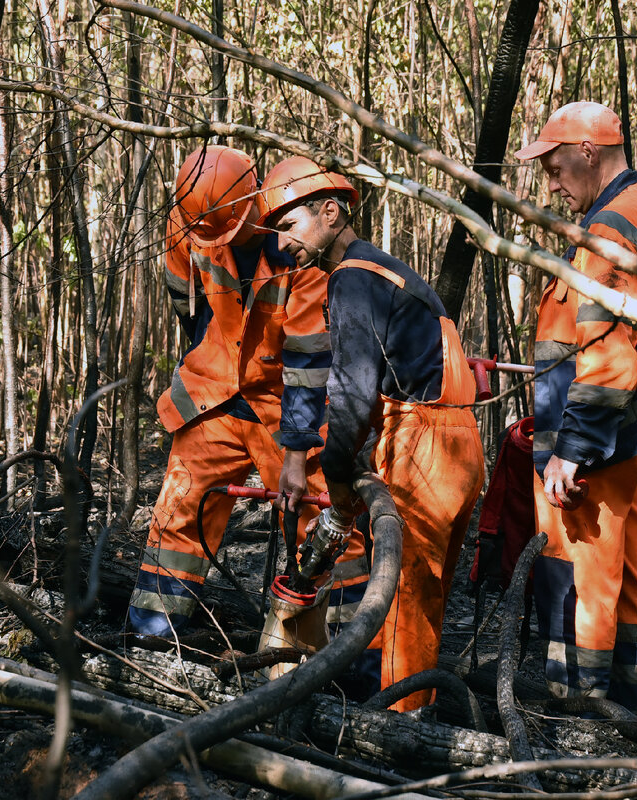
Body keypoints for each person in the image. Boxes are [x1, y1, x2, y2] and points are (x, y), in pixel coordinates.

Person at [257, 156, 485, 712]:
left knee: (403, 601)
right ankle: (420, 708)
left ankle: (397, 732)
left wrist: (338, 481)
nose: (283, 244)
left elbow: (354, 395)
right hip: (460, 443)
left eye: (289, 226)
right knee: (425, 598)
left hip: (424, 445)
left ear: (330, 212)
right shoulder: (387, 270)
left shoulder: (353, 280)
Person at [127, 146, 371, 639]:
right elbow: (183, 296)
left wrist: (298, 452)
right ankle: (153, 636)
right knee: (179, 512)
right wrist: (211, 346)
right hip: (212, 393)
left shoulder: (298, 246)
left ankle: (355, 649)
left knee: (329, 522)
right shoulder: (189, 218)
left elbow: (307, 358)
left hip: (284, 406)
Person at [515, 101, 637, 718]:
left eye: (557, 167)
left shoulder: (610, 229)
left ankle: (579, 705)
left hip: (603, 437)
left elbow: (608, 353)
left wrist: (571, 447)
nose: (552, 184)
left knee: (577, 566)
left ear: (588, 152)